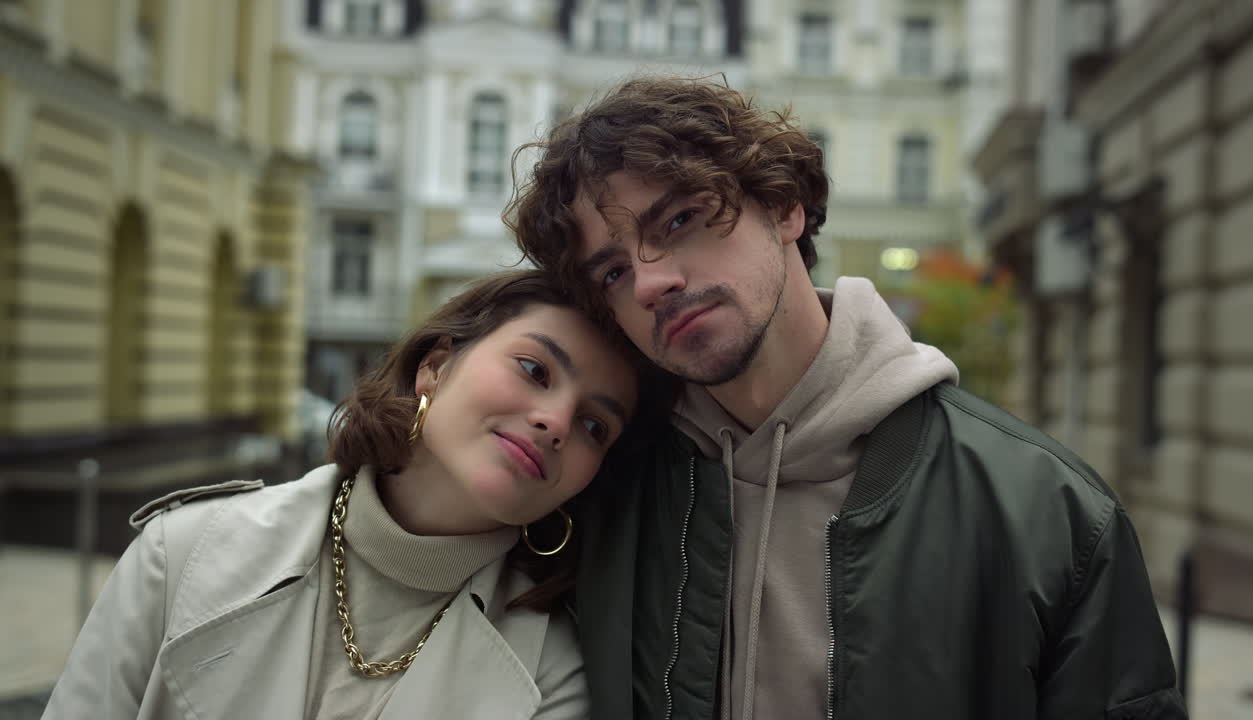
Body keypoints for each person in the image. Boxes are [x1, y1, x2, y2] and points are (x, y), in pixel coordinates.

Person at [506, 77, 1186, 720]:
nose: (650, 283)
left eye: (680, 218)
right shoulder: (602, 488)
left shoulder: (1048, 512)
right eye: (614, 271)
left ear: (782, 207)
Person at [43, 270, 674, 720]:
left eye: (596, 425)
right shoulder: (180, 554)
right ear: (436, 365)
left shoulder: (552, 675)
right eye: (535, 369)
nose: (556, 421)